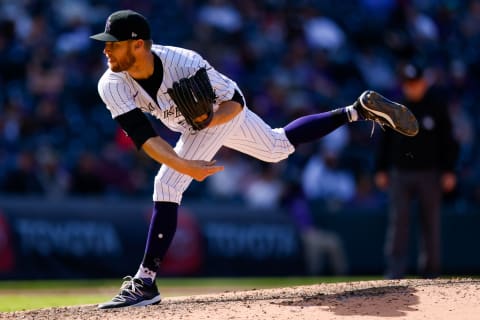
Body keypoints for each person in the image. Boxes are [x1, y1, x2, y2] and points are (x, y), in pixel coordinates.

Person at [90, 9, 417, 309]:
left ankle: (145, 282)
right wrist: (187, 165)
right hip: (190, 123)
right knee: (277, 148)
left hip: (223, 112)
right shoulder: (111, 83)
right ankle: (356, 110)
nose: (105, 50)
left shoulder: (184, 63)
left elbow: (234, 101)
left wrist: (207, 123)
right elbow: (145, 138)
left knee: (167, 183)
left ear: (137, 45)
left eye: (113, 44)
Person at [374, 63, 459, 279]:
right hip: (400, 173)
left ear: (424, 82)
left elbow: (448, 140)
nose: (413, 88)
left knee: (430, 222)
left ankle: (431, 271)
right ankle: (395, 270)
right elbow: (384, 141)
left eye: (416, 83)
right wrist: (381, 168)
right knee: (399, 221)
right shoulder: (395, 108)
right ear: (403, 85)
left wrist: (449, 170)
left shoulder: (436, 106)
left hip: (429, 172)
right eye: (409, 84)